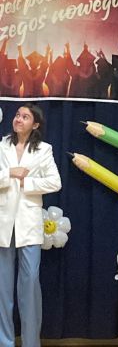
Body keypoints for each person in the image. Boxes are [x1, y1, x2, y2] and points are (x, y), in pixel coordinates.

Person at [0, 103, 62, 347]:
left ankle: (31, 342)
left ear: (35, 124)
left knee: (30, 285)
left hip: (29, 224)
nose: (18, 119)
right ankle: (5, 342)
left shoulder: (44, 150)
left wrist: (28, 182)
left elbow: (55, 182)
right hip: (4, 223)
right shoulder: (2, 145)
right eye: (17, 115)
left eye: (25, 117)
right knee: (3, 289)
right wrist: (10, 174)